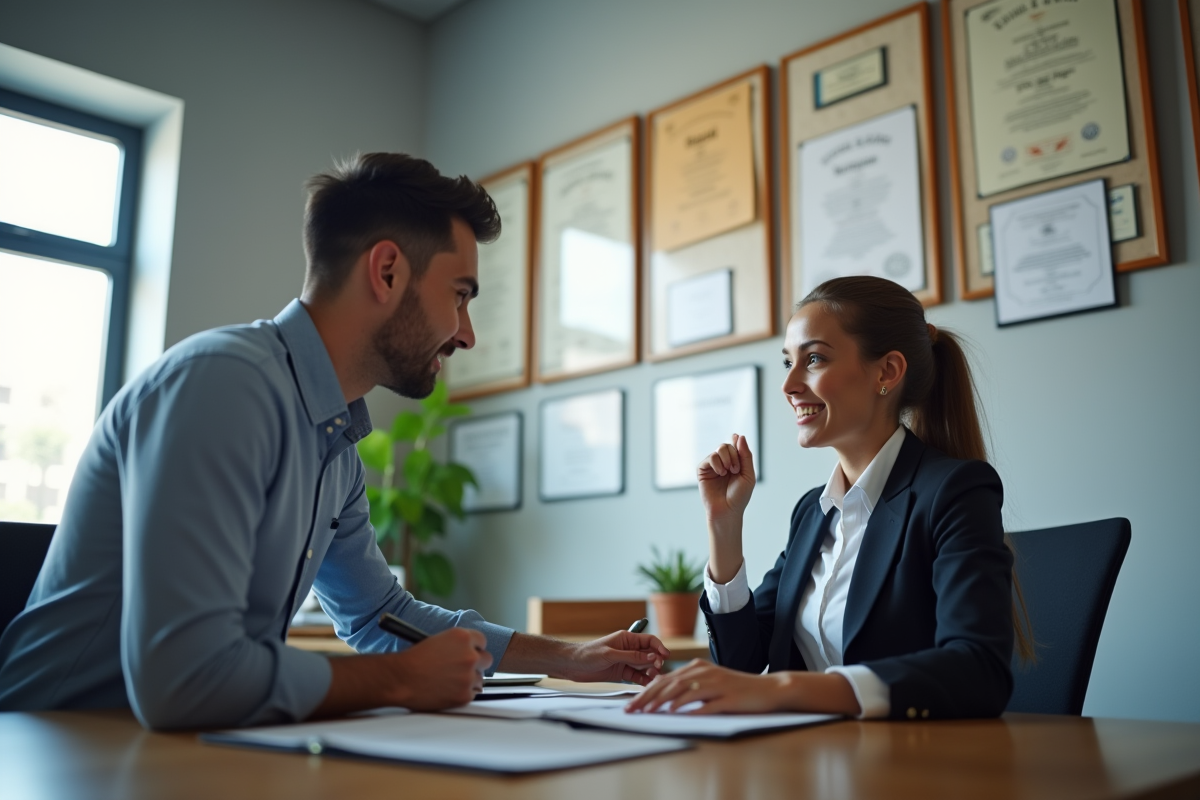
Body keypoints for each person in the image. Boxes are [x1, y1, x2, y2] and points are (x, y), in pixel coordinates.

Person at [0, 153, 668, 729]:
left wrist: (570, 658)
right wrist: (402, 682)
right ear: (386, 272)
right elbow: (184, 679)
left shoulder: (334, 441)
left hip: (179, 749)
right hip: (58, 747)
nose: (467, 334)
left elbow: (382, 614)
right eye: (460, 295)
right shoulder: (224, 385)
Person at [627, 276, 1032, 720]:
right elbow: (741, 662)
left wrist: (785, 690)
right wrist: (724, 525)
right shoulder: (813, 510)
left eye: (814, 359)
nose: (789, 385)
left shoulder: (954, 491)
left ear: (887, 372)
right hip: (808, 762)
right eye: (788, 363)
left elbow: (979, 670)